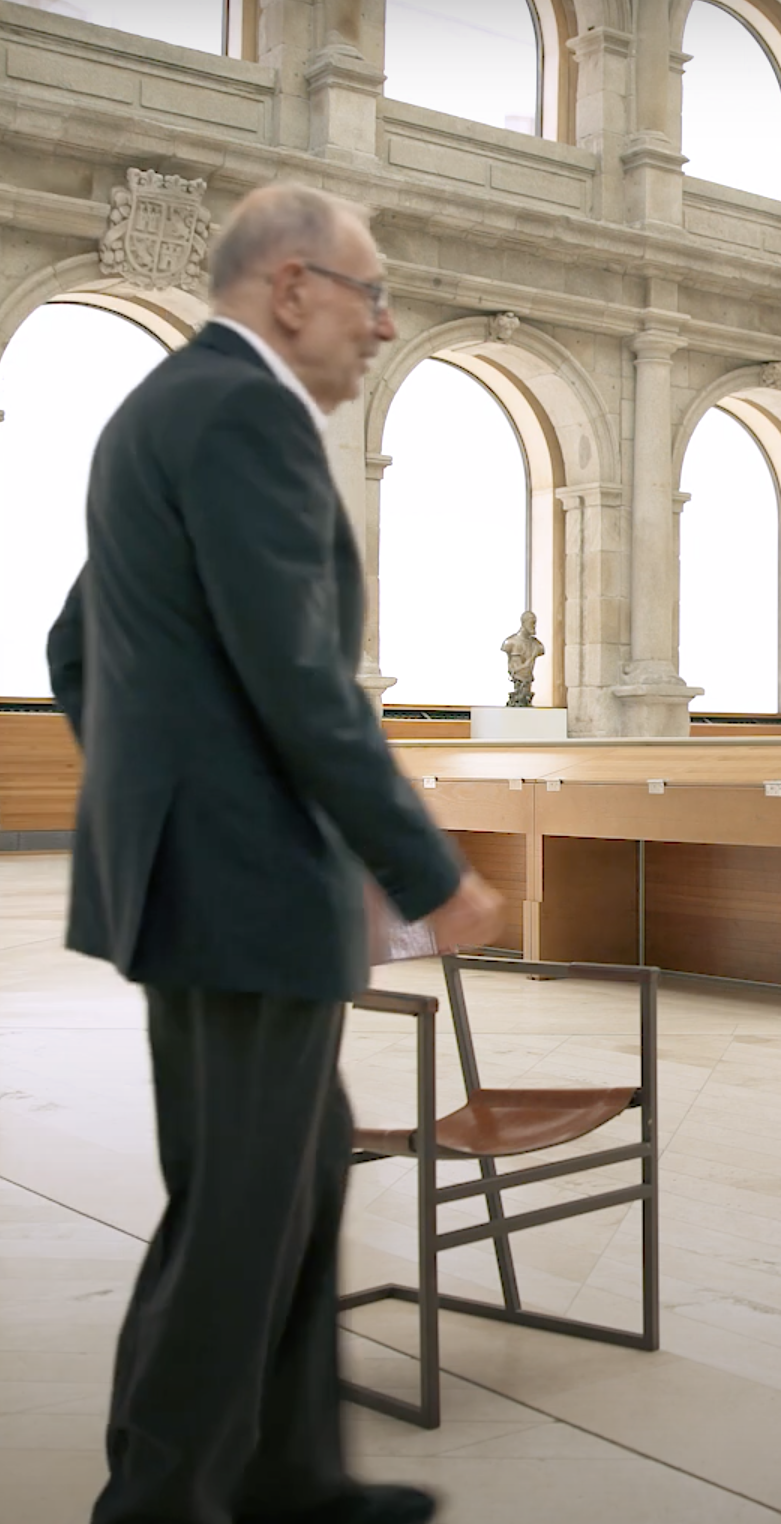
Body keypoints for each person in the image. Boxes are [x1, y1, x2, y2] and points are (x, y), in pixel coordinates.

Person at [46, 184, 504, 1524]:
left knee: (291, 1177)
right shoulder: (250, 415)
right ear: (292, 286)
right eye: (372, 293)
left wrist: (162, 791)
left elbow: (78, 651)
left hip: (194, 879)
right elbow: (301, 682)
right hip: (241, 892)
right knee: (241, 1216)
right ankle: (162, 1502)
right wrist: (432, 872)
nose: (387, 321)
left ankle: (289, 1479)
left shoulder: (159, 411)